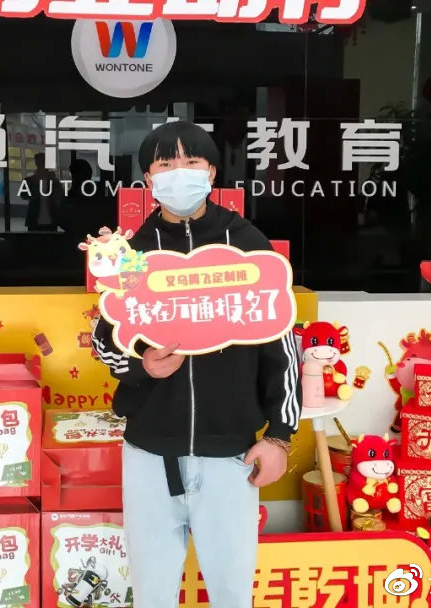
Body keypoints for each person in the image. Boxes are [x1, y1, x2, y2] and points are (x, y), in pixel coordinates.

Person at [90, 121, 301, 607]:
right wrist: (142, 365)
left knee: (231, 592)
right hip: (149, 454)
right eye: (166, 164)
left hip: (230, 456)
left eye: (191, 162)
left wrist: (279, 437)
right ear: (149, 179)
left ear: (211, 172)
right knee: (152, 593)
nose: (178, 173)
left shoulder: (246, 243)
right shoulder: (135, 253)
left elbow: (281, 345)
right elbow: (106, 342)